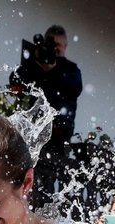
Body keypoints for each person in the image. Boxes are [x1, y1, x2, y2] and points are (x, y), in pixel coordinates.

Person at [9, 25, 82, 207]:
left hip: (58, 136)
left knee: (48, 188)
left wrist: (53, 69)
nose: (55, 48)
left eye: (59, 45)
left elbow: (75, 88)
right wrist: (35, 63)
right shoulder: (35, 65)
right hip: (31, 133)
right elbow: (15, 80)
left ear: (65, 46)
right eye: (52, 43)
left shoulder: (71, 70)